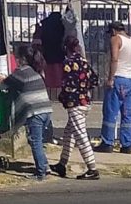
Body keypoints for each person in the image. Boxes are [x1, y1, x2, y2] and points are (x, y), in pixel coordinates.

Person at [0, 45, 53, 181]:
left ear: (22, 59)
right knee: (37, 140)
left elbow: (3, 85)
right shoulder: (35, 71)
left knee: (35, 142)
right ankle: (45, 166)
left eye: (16, 57)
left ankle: (41, 172)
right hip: (46, 110)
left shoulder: (21, 72)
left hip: (35, 112)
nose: (15, 60)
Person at [50, 36, 100, 180]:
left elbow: (67, 85)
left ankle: (92, 169)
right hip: (85, 101)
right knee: (69, 133)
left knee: (80, 135)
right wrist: (84, 88)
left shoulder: (68, 63)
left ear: (65, 48)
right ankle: (62, 163)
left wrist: (64, 97)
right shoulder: (83, 61)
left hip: (75, 104)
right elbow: (94, 79)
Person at [96, 21, 131, 154]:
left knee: (111, 111)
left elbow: (114, 59)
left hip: (118, 78)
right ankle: (127, 144)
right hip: (130, 79)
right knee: (127, 114)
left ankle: (107, 142)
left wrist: (110, 78)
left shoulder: (116, 39)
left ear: (114, 31)